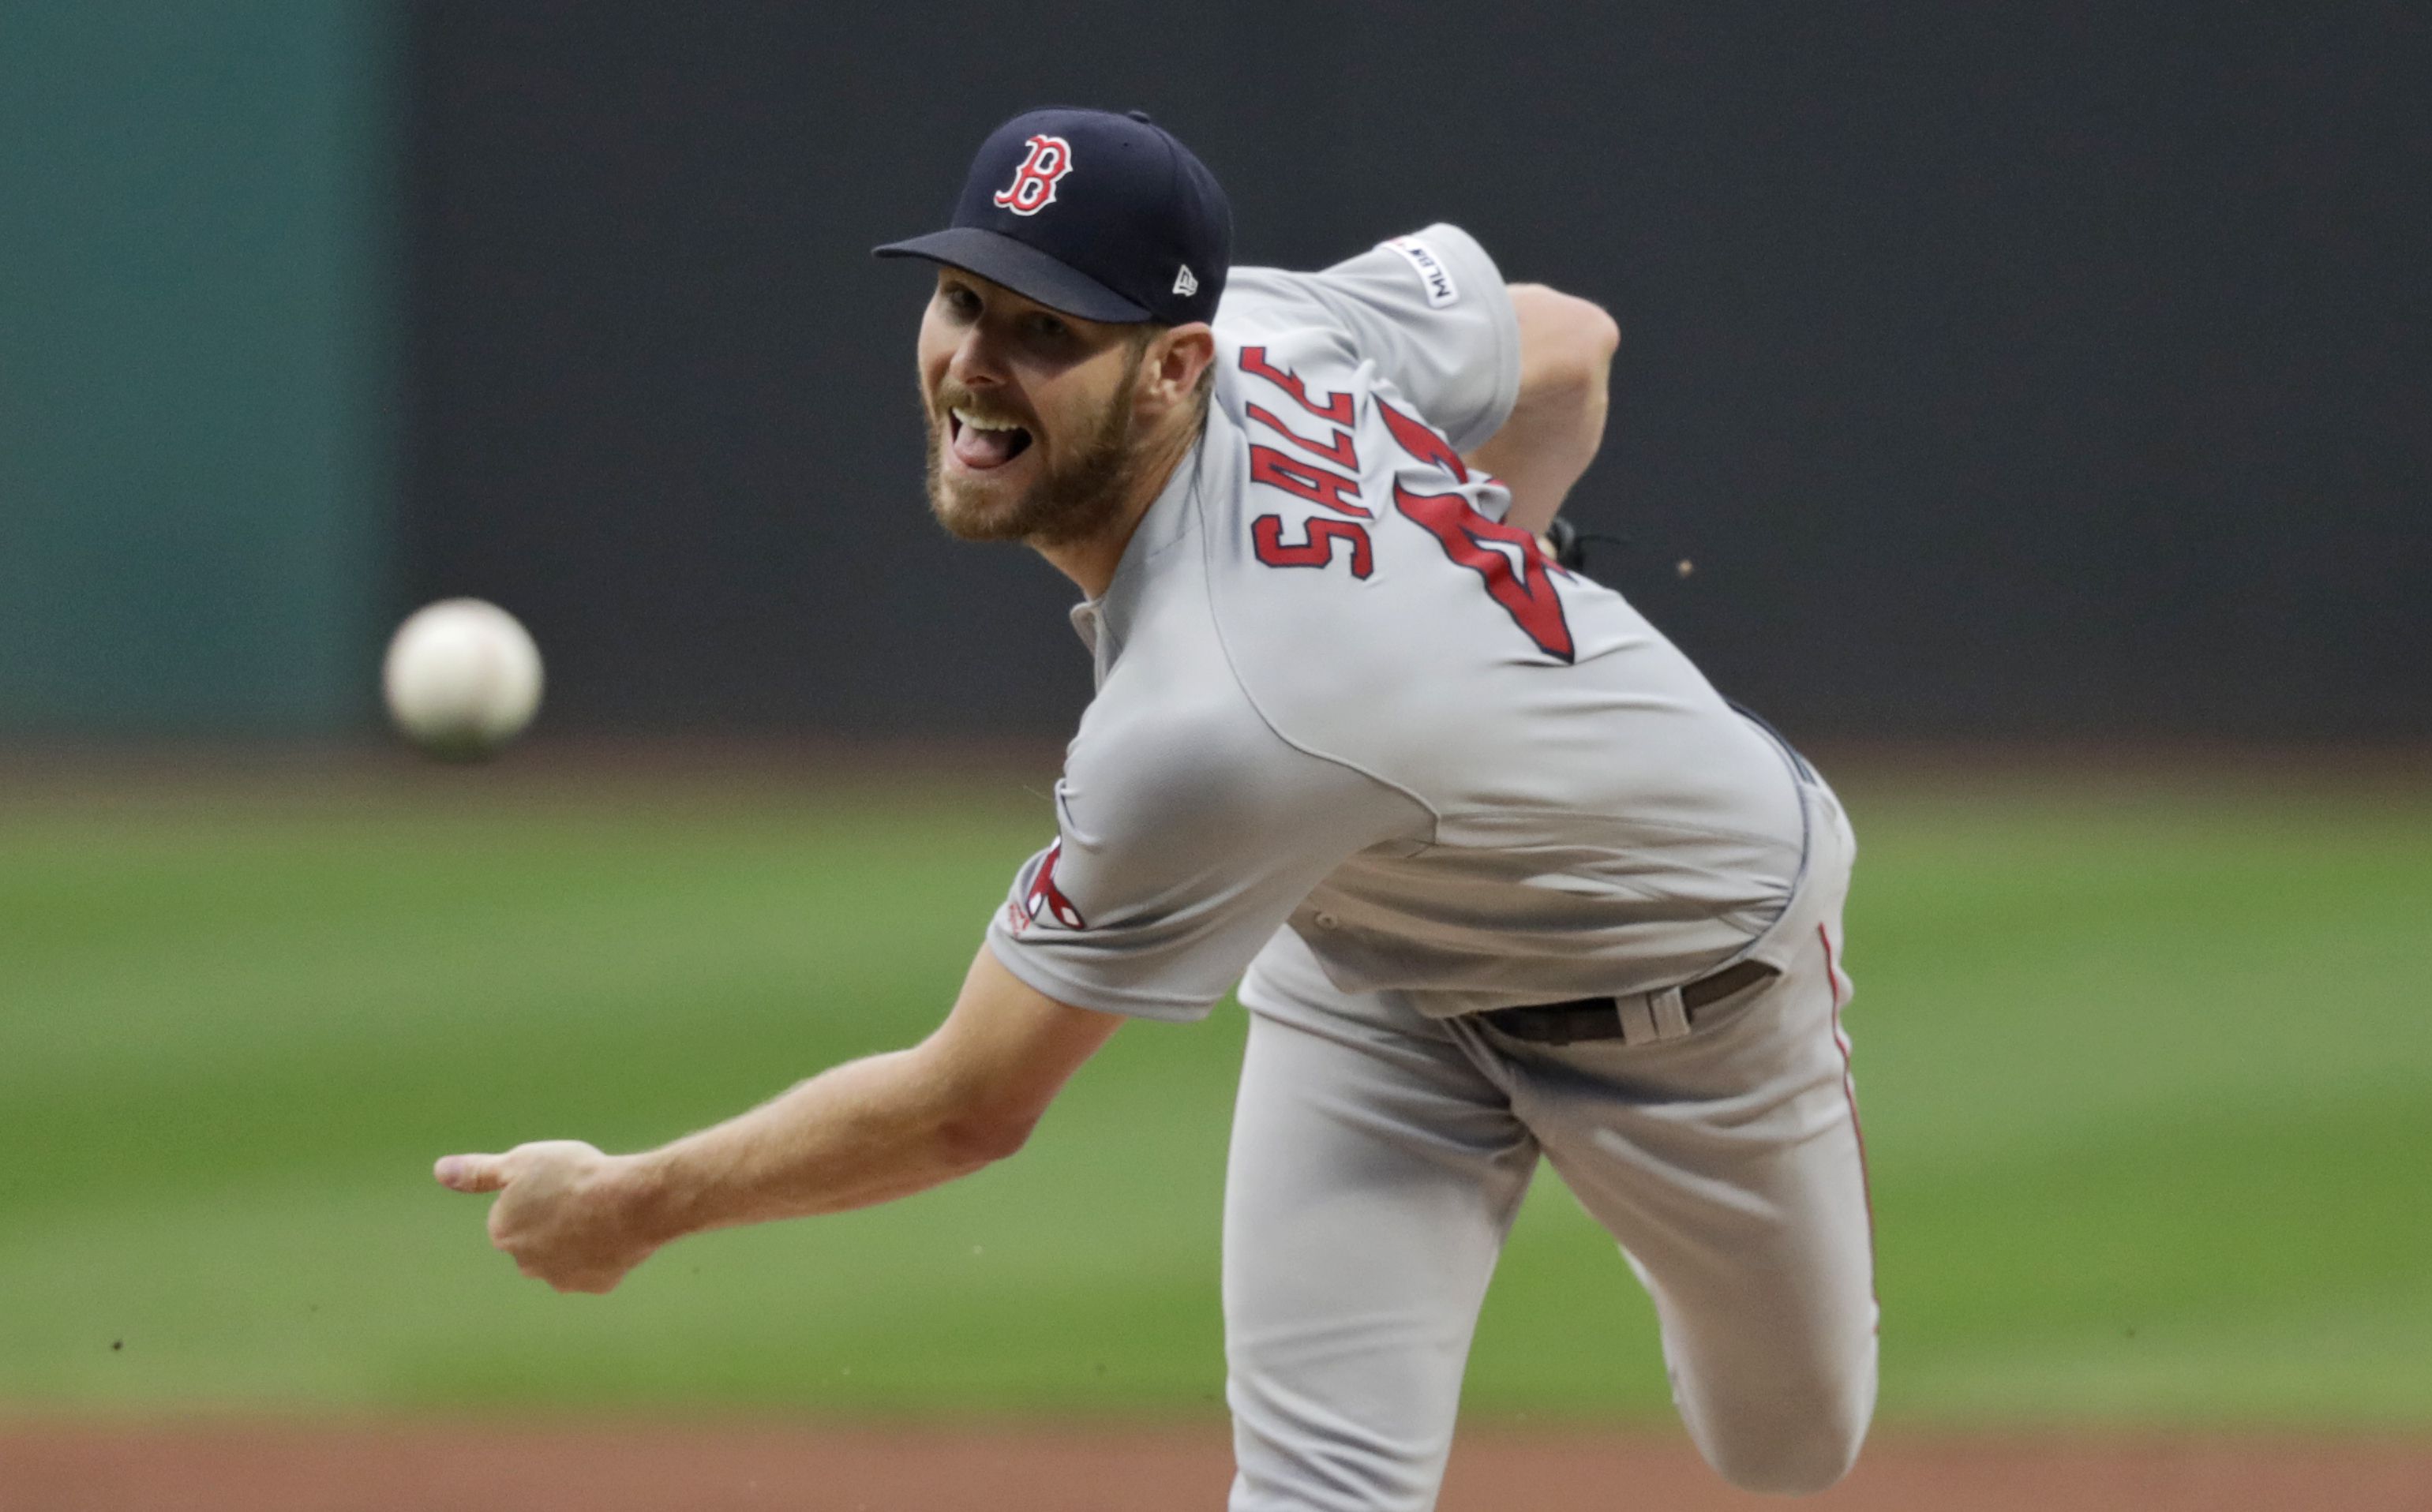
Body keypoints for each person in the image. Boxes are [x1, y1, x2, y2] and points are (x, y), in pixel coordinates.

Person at [437, 107, 1876, 1509]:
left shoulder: (1219, 718)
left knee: (1784, 1451)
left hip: (1692, 980)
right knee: (1317, 1487)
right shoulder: (1268, 329)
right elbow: (1566, 341)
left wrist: (635, 1205)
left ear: (1177, 365)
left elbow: (968, 1107)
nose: (975, 364)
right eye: (960, 299)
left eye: (1046, 331)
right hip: (1372, 960)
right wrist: (1475, 570)